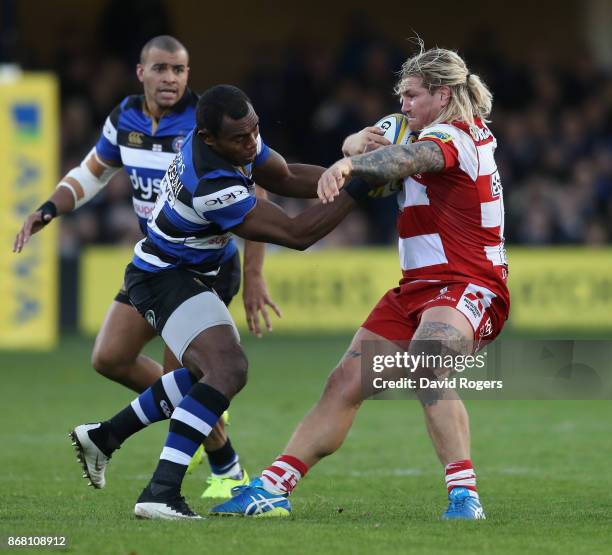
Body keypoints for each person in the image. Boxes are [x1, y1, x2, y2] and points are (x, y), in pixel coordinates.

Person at [211, 45, 510, 520]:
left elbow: (410, 160)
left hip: (470, 283)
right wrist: (353, 143)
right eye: (402, 97)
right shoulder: (419, 126)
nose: (404, 104)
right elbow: (381, 140)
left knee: (427, 365)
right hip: (416, 288)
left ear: (443, 94)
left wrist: (353, 165)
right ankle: (273, 487)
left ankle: (464, 495)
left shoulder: (458, 137)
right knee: (344, 381)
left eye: (412, 96)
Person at [67, 84, 363, 520]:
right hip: (163, 277)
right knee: (227, 368)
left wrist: (346, 172)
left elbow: (282, 176)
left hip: (187, 272)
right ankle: (160, 491)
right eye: (241, 139)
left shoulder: (236, 137)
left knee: (202, 374)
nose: (251, 143)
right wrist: (363, 187)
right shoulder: (209, 180)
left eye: (255, 131)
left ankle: (106, 437)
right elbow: (297, 235)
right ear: (209, 140)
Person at [13, 35, 278, 498]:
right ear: (141, 73)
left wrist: (255, 274)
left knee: (190, 380)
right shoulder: (125, 118)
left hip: (204, 270)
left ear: (188, 75)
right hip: (156, 262)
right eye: (161, 69)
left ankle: (220, 474)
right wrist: (48, 208)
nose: (170, 78)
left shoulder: (210, 125)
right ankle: (203, 442)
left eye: (178, 70)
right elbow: (92, 172)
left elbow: (262, 192)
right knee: (110, 357)